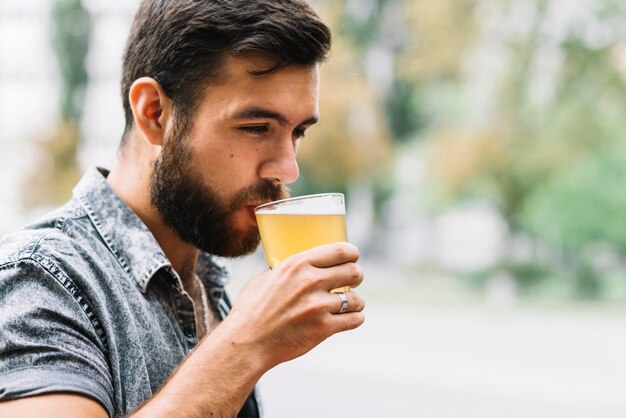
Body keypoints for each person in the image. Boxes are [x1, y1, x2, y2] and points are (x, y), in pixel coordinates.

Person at [0, 0, 366, 417]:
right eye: (255, 128)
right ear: (154, 113)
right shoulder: (36, 280)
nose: (287, 168)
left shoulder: (206, 275)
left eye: (296, 131)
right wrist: (245, 346)